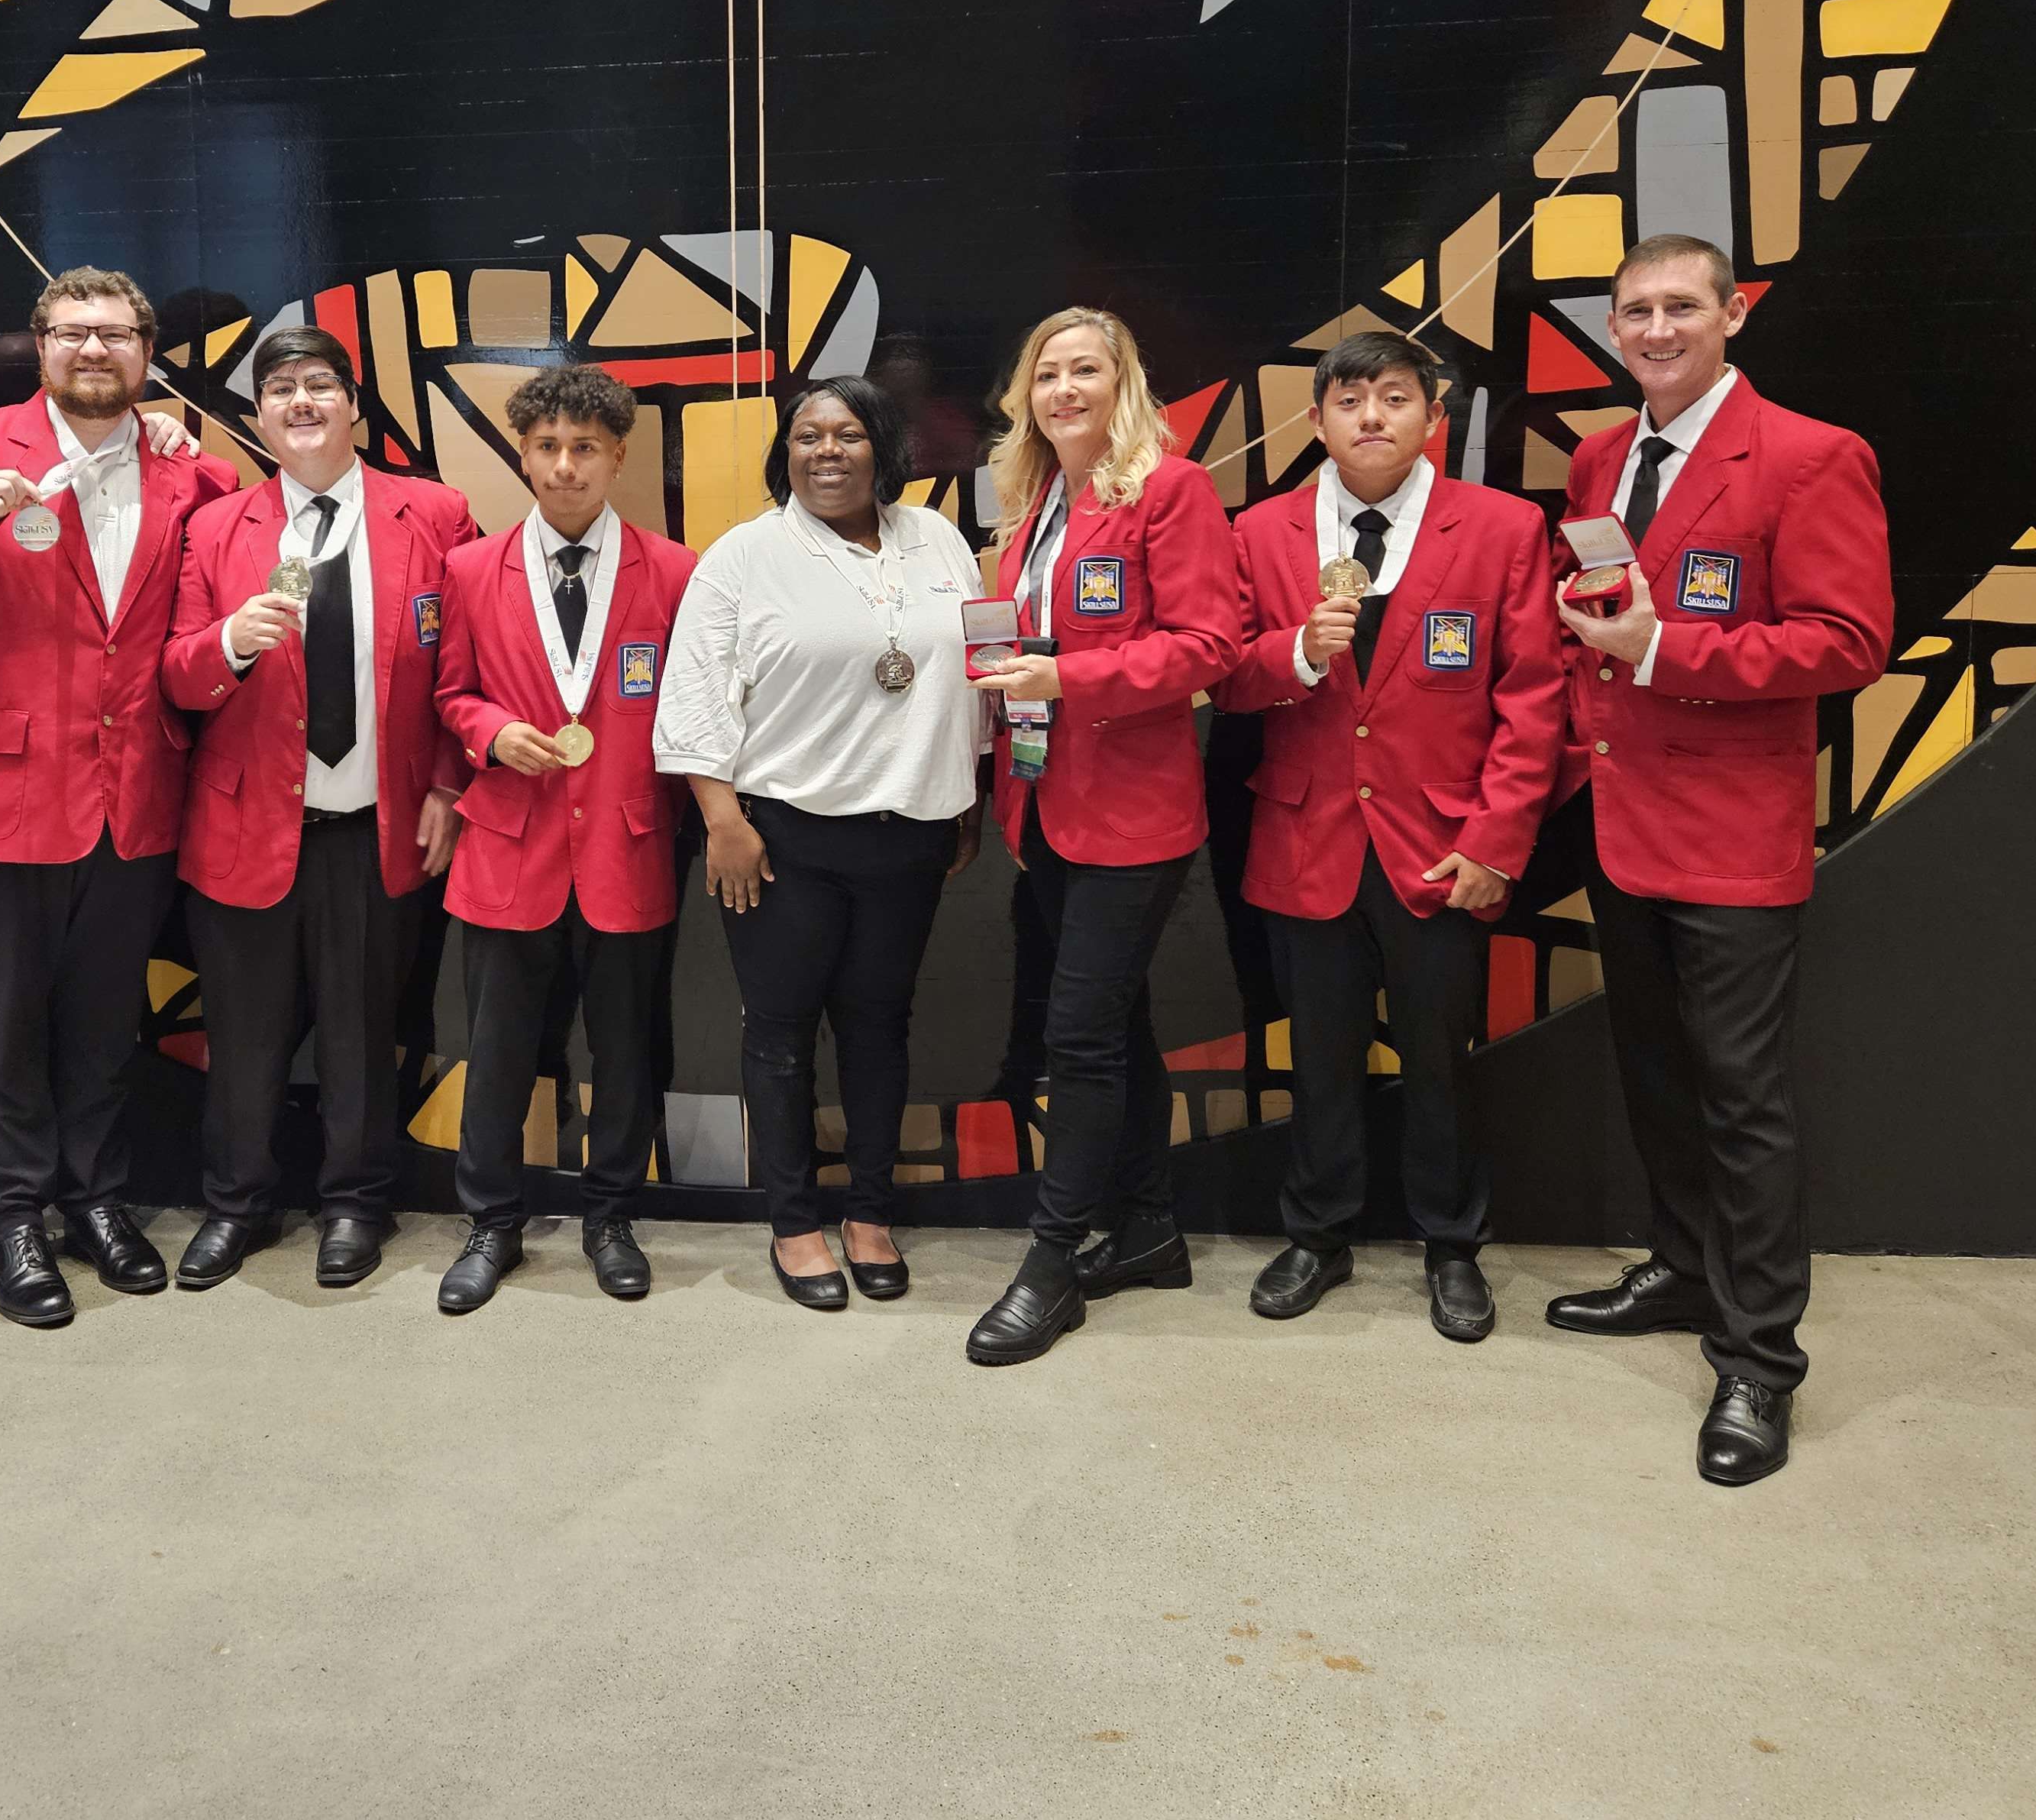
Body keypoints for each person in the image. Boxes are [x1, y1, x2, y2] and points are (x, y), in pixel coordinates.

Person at [1543, 234, 1892, 1485]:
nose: (1654, 327)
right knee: (1658, 1075)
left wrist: (1659, 649)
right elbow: (1601, 612)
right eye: (1634, 309)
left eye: (1680, 305)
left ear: (1732, 314)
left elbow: (1849, 641)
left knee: (1745, 1101)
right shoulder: (1599, 455)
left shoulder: (1808, 456)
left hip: (1735, 836)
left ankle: (1759, 1363)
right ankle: (1687, 1271)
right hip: (1622, 822)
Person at [0, 267, 235, 1328]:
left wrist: (185, 444)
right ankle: (14, 1215)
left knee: (102, 1024)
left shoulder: (181, 473)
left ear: (146, 354)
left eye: (115, 335)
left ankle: (97, 1199)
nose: (93, 351)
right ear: (39, 344)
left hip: (134, 796)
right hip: (1, 793)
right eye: (73, 333)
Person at [1215, 330, 1565, 1343]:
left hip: (1443, 846)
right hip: (1306, 840)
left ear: (1431, 416)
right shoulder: (1263, 532)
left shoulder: (1502, 529)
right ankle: (1316, 1235)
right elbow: (1226, 672)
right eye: (1352, 399)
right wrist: (1294, 654)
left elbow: (1534, 699)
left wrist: (1498, 840)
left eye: (1396, 397)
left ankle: (1451, 1246)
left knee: (1438, 1062)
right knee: (1318, 1058)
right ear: (1317, 419)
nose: (1373, 416)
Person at [654, 377, 986, 1311]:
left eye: (846, 435)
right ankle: (795, 1223)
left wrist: (965, 795)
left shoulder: (938, 542)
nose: (826, 452)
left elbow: (975, 672)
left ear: (883, 445)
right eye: (807, 437)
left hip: (912, 832)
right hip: (779, 839)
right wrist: (722, 821)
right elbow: (691, 699)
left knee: (881, 1029)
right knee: (783, 1035)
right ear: (785, 452)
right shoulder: (744, 557)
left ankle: (869, 1213)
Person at [161, 328, 473, 1291]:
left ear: (353, 405)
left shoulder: (434, 513)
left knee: (360, 1034)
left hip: (376, 829)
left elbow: (465, 669)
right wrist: (228, 644)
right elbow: (174, 676)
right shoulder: (217, 529)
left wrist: (450, 790)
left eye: (321, 386)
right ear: (257, 418)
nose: (302, 403)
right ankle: (236, 1205)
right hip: (246, 828)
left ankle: (354, 1203)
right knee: (244, 1037)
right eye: (282, 390)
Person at [958, 309, 1241, 1365]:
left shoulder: (1171, 490)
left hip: (1134, 815)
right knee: (1115, 1027)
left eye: (1087, 371)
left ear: (1124, 387)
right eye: (1047, 373)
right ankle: (1151, 1227)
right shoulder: (1035, 504)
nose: (1065, 390)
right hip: (1045, 805)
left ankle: (1054, 1256)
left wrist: (1067, 679)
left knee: (1076, 1039)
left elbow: (1210, 645)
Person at [430, 365, 698, 1314]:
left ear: (618, 457)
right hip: (509, 845)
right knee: (498, 1050)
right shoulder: (469, 570)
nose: (565, 465)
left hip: (628, 846)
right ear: (522, 454)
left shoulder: (675, 571)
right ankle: (490, 1222)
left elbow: (696, 710)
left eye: (585, 447)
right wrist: (488, 733)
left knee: (626, 1051)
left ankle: (611, 1216)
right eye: (546, 447)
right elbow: (448, 693)